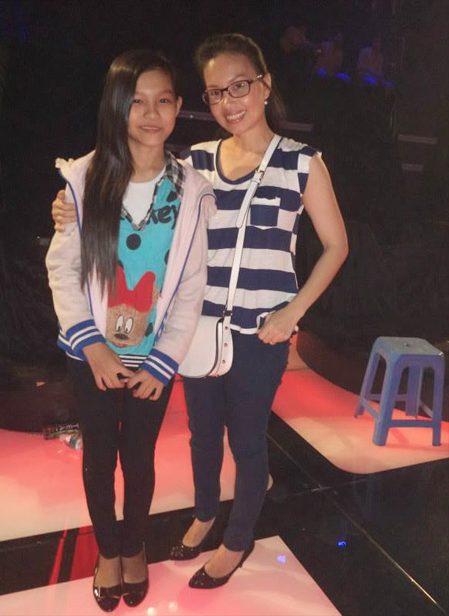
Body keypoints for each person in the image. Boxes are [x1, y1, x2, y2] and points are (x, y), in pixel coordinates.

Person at [52, 33, 348, 590]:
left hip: (261, 330)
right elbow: (141, 187)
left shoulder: (301, 163)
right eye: (215, 92)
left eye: (240, 86)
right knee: (203, 435)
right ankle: (206, 514)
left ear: (265, 85)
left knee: (248, 440)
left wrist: (293, 313)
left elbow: (337, 246)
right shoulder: (200, 162)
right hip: (200, 328)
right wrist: (70, 203)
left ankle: (237, 541)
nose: (229, 102)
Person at [46, 49, 215, 611]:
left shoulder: (192, 190)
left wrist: (164, 362)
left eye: (163, 100)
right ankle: (107, 550)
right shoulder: (85, 179)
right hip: (91, 356)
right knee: (99, 458)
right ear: (117, 106)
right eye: (137, 101)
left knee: (139, 459)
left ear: (179, 107)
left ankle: (135, 544)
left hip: (152, 360)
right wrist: (91, 346)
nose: (150, 113)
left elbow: (190, 286)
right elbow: (63, 270)